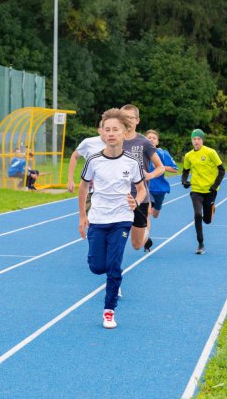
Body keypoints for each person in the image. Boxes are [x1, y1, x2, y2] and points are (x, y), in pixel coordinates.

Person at [78, 108, 146, 329]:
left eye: (115, 129)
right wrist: (82, 216)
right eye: (107, 130)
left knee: (114, 264)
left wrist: (136, 202)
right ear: (102, 133)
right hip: (97, 219)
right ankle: (111, 275)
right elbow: (83, 187)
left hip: (122, 219)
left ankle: (109, 310)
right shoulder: (94, 160)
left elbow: (141, 189)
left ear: (125, 132)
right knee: (98, 267)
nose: (110, 133)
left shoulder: (131, 162)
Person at [120, 104, 165, 252]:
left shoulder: (144, 142)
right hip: (118, 196)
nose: (127, 121)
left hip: (140, 196)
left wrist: (149, 175)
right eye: (124, 117)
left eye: (130, 118)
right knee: (114, 233)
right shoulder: (114, 140)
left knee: (136, 245)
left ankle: (145, 234)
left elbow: (160, 167)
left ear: (137, 120)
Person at [181, 129, 225, 254]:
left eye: (198, 139)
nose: (196, 141)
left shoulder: (211, 152)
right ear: (191, 141)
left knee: (207, 220)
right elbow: (185, 171)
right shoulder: (189, 155)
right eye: (194, 139)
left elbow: (222, 170)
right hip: (196, 190)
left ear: (202, 140)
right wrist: (184, 181)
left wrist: (215, 185)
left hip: (210, 190)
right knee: (197, 215)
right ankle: (200, 243)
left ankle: (211, 209)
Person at [145, 130, 178, 227]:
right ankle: (145, 237)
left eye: (154, 138)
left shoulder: (163, 153)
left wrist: (161, 167)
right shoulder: (141, 153)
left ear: (157, 142)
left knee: (155, 214)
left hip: (159, 189)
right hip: (146, 188)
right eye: (149, 138)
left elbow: (175, 169)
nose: (151, 139)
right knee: (147, 212)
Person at [66, 120, 106, 193]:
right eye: (106, 128)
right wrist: (70, 180)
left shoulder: (119, 144)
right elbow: (74, 157)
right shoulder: (88, 143)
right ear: (99, 130)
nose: (109, 132)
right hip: (91, 189)